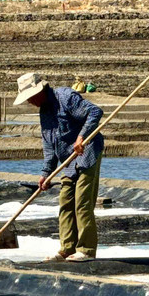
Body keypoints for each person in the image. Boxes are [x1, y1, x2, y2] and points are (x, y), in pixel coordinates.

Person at [14, 71, 104, 261]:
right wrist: (46, 172)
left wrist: (82, 137)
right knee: (65, 202)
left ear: (40, 91)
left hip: (87, 152)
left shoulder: (66, 97)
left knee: (82, 203)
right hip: (68, 160)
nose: (29, 102)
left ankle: (86, 250)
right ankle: (67, 249)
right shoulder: (44, 112)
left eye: (30, 97)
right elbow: (49, 144)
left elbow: (95, 112)